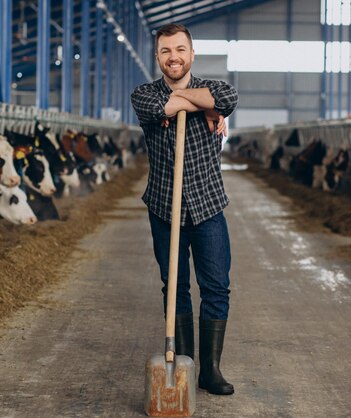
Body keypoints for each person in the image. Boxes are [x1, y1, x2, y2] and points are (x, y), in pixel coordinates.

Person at [130, 23, 238, 396]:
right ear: (157, 56)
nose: (172, 57)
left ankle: (210, 370)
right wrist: (204, 105)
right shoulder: (143, 95)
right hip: (164, 207)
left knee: (216, 287)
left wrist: (193, 100)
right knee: (174, 287)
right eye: (165, 51)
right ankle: (185, 365)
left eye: (179, 50)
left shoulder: (217, 89)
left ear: (192, 54)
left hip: (208, 205)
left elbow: (229, 97)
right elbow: (159, 106)